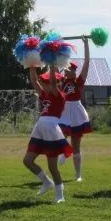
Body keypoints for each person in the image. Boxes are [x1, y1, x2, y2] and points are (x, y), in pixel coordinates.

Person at [23, 66, 72, 203]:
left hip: (51, 130)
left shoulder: (59, 95)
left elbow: (53, 83)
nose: (43, 85)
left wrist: (51, 64)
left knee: (52, 166)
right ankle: (46, 182)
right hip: (39, 128)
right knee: (27, 161)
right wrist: (32, 65)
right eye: (43, 83)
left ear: (54, 84)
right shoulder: (44, 94)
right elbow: (34, 80)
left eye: (46, 83)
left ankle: (60, 194)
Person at [58, 38, 92, 181]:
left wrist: (85, 44)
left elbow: (86, 63)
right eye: (66, 69)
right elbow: (53, 67)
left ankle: (78, 175)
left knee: (76, 145)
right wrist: (56, 48)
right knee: (59, 137)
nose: (67, 72)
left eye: (70, 70)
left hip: (77, 112)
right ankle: (65, 153)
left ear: (74, 72)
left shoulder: (79, 81)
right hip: (64, 112)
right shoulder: (61, 81)